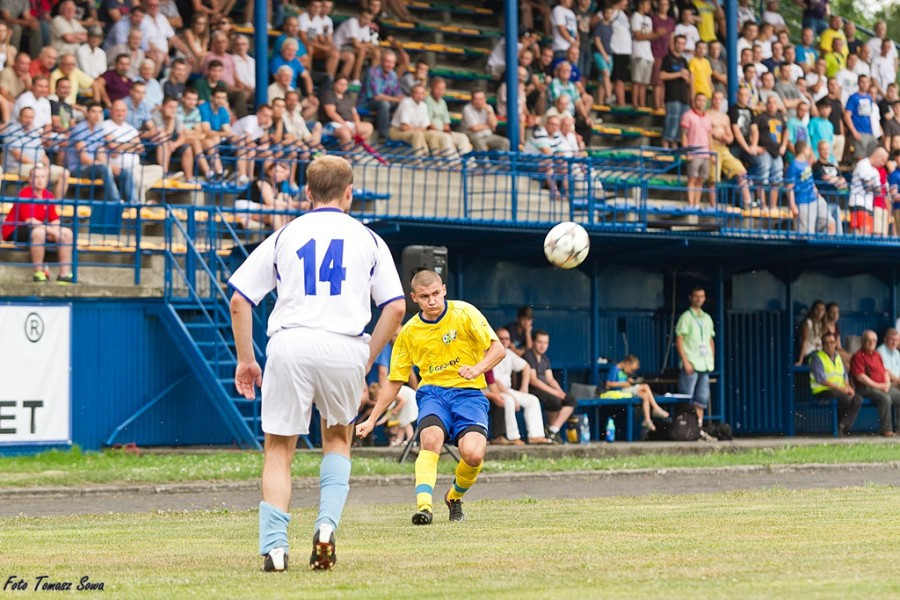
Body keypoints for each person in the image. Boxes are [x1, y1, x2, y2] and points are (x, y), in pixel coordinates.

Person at [228, 155, 405, 571]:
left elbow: (240, 299)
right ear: (349, 193)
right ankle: (326, 527)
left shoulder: (286, 234)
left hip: (291, 343)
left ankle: (274, 548)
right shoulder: (369, 240)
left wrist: (246, 360)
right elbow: (395, 308)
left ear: (306, 193)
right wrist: (366, 356)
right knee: (338, 439)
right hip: (344, 344)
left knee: (278, 449)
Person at [356, 270, 505, 525]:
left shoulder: (465, 313)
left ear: (444, 290)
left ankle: (453, 497)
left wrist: (477, 369)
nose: (432, 300)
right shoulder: (409, 332)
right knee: (431, 439)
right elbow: (395, 380)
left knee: (473, 455)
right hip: (433, 393)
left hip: (469, 394)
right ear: (415, 298)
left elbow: (498, 349)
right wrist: (371, 419)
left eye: (436, 294)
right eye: (425, 297)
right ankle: (424, 507)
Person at [1, 166, 74, 284]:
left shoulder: (48, 195)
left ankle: (64, 274)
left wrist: (55, 231)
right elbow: (30, 221)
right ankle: (39, 272)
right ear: (30, 180)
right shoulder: (24, 194)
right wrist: (53, 232)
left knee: (67, 233)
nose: (40, 180)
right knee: (39, 232)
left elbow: (55, 219)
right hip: (16, 229)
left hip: (42, 228)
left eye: (43, 177)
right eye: (36, 177)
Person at [490, 326, 550, 445]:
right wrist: (511, 396)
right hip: (492, 390)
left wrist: (524, 387)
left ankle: (536, 436)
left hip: (506, 389)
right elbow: (494, 381)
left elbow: (526, 367)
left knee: (532, 400)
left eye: (507, 338)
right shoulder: (490, 352)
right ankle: (514, 437)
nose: (504, 341)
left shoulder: (508, 353)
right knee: (509, 400)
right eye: (501, 338)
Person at [675, 286, 716, 439]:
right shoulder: (686, 317)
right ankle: (686, 429)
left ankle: (698, 430)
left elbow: (710, 340)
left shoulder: (707, 318)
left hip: (704, 364)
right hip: (691, 363)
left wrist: (711, 359)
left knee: (701, 399)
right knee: (687, 398)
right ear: (691, 298)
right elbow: (679, 339)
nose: (699, 299)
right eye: (696, 296)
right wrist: (685, 361)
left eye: (702, 296)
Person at [523, 330, 577, 443]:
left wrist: (560, 391)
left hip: (546, 389)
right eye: (540, 342)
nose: (543, 345)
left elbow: (550, 379)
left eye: (545, 343)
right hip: (533, 390)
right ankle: (551, 432)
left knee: (570, 399)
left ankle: (553, 429)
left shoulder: (545, 358)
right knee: (555, 400)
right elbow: (534, 381)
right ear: (533, 342)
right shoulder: (528, 355)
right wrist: (554, 393)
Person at [808, 332, 862, 436]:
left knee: (857, 399)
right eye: (827, 343)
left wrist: (848, 387)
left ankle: (842, 425)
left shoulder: (838, 358)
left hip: (838, 390)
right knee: (845, 398)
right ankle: (838, 427)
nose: (829, 345)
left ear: (836, 344)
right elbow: (821, 380)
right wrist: (842, 389)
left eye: (832, 342)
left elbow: (844, 376)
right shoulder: (817, 358)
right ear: (822, 344)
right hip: (822, 391)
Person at [850, 330, 900, 437]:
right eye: (868, 340)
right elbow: (861, 377)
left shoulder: (877, 355)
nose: (871, 343)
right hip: (865, 388)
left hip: (882, 386)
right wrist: (879, 386)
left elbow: (884, 372)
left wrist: (886, 384)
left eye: (873, 340)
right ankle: (886, 430)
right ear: (863, 341)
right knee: (885, 398)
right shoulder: (858, 356)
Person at [600, 355, 669, 431]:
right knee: (645, 386)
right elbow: (609, 383)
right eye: (632, 369)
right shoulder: (615, 369)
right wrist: (623, 384)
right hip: (619, 392)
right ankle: (656, 408)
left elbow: (625, 381)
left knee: (645, 395)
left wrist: (630, 381)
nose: (631, 372)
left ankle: (647, 419)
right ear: (627, 363)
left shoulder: (624, 371)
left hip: (626, 391)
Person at [786, 141, 835, 235]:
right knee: (806, 234)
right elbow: (789, 187)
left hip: (814, 198)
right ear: (804, 150)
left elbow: (811, 181)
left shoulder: (806, 163)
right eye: (809, 148)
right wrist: (793, 206)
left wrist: (818, 195)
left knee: (831, 223)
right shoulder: (794, 165)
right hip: (803, 202)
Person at [681, 92, 713, 207]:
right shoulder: (687, 115)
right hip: (694, 151)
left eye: (703, 100)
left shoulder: (708, 118)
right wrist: (687, 151)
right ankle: (690, 203)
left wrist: (711, 152)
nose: (701, 103)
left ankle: (697, 203)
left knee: (701, 179)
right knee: (692, 178)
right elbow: (684, 134)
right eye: (699, 100)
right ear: (695, 101)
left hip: (705, 153)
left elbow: (709, 136)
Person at [660, 35, 691, 149]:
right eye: (678, 43)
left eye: (683, 43)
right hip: (672, 96)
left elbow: (688, 80)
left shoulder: (684, 61)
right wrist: (679, 74)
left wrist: (687, 77)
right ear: (674, 43)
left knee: (681, 126)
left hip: (683, 96)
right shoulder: (667, 58)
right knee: (671, 122)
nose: (680, 45)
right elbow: (662, 75)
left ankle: (674, 147)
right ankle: (665, 147)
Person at [797, 300, 826, 364]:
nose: (819, 312)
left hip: (819, 353)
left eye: (822, 310)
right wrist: (800, 360)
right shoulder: (808, 322)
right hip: (809, 354)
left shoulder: (821, 324)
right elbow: (804, 341)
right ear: (813, 310)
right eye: (817, 309)